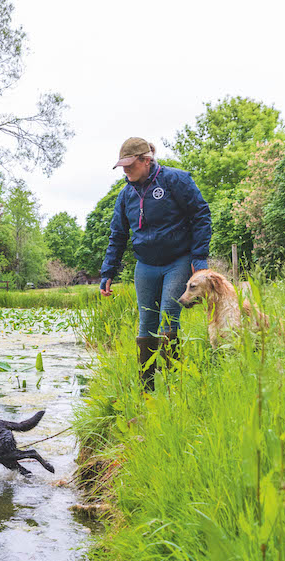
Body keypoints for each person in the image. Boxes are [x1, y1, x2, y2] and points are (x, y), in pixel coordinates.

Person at [99, 137, 211, 390]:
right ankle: (146, 388)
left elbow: (201, 215)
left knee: (169, 319)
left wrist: (199, 257)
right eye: (122, 165)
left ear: (146, 160)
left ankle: (173, 386)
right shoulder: (125, 194)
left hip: (178, 260)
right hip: (146, 265)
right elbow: (118, 235)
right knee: (146, 323)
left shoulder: (176, 180)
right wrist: (107, 272)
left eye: (130, 165)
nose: (125, 170)